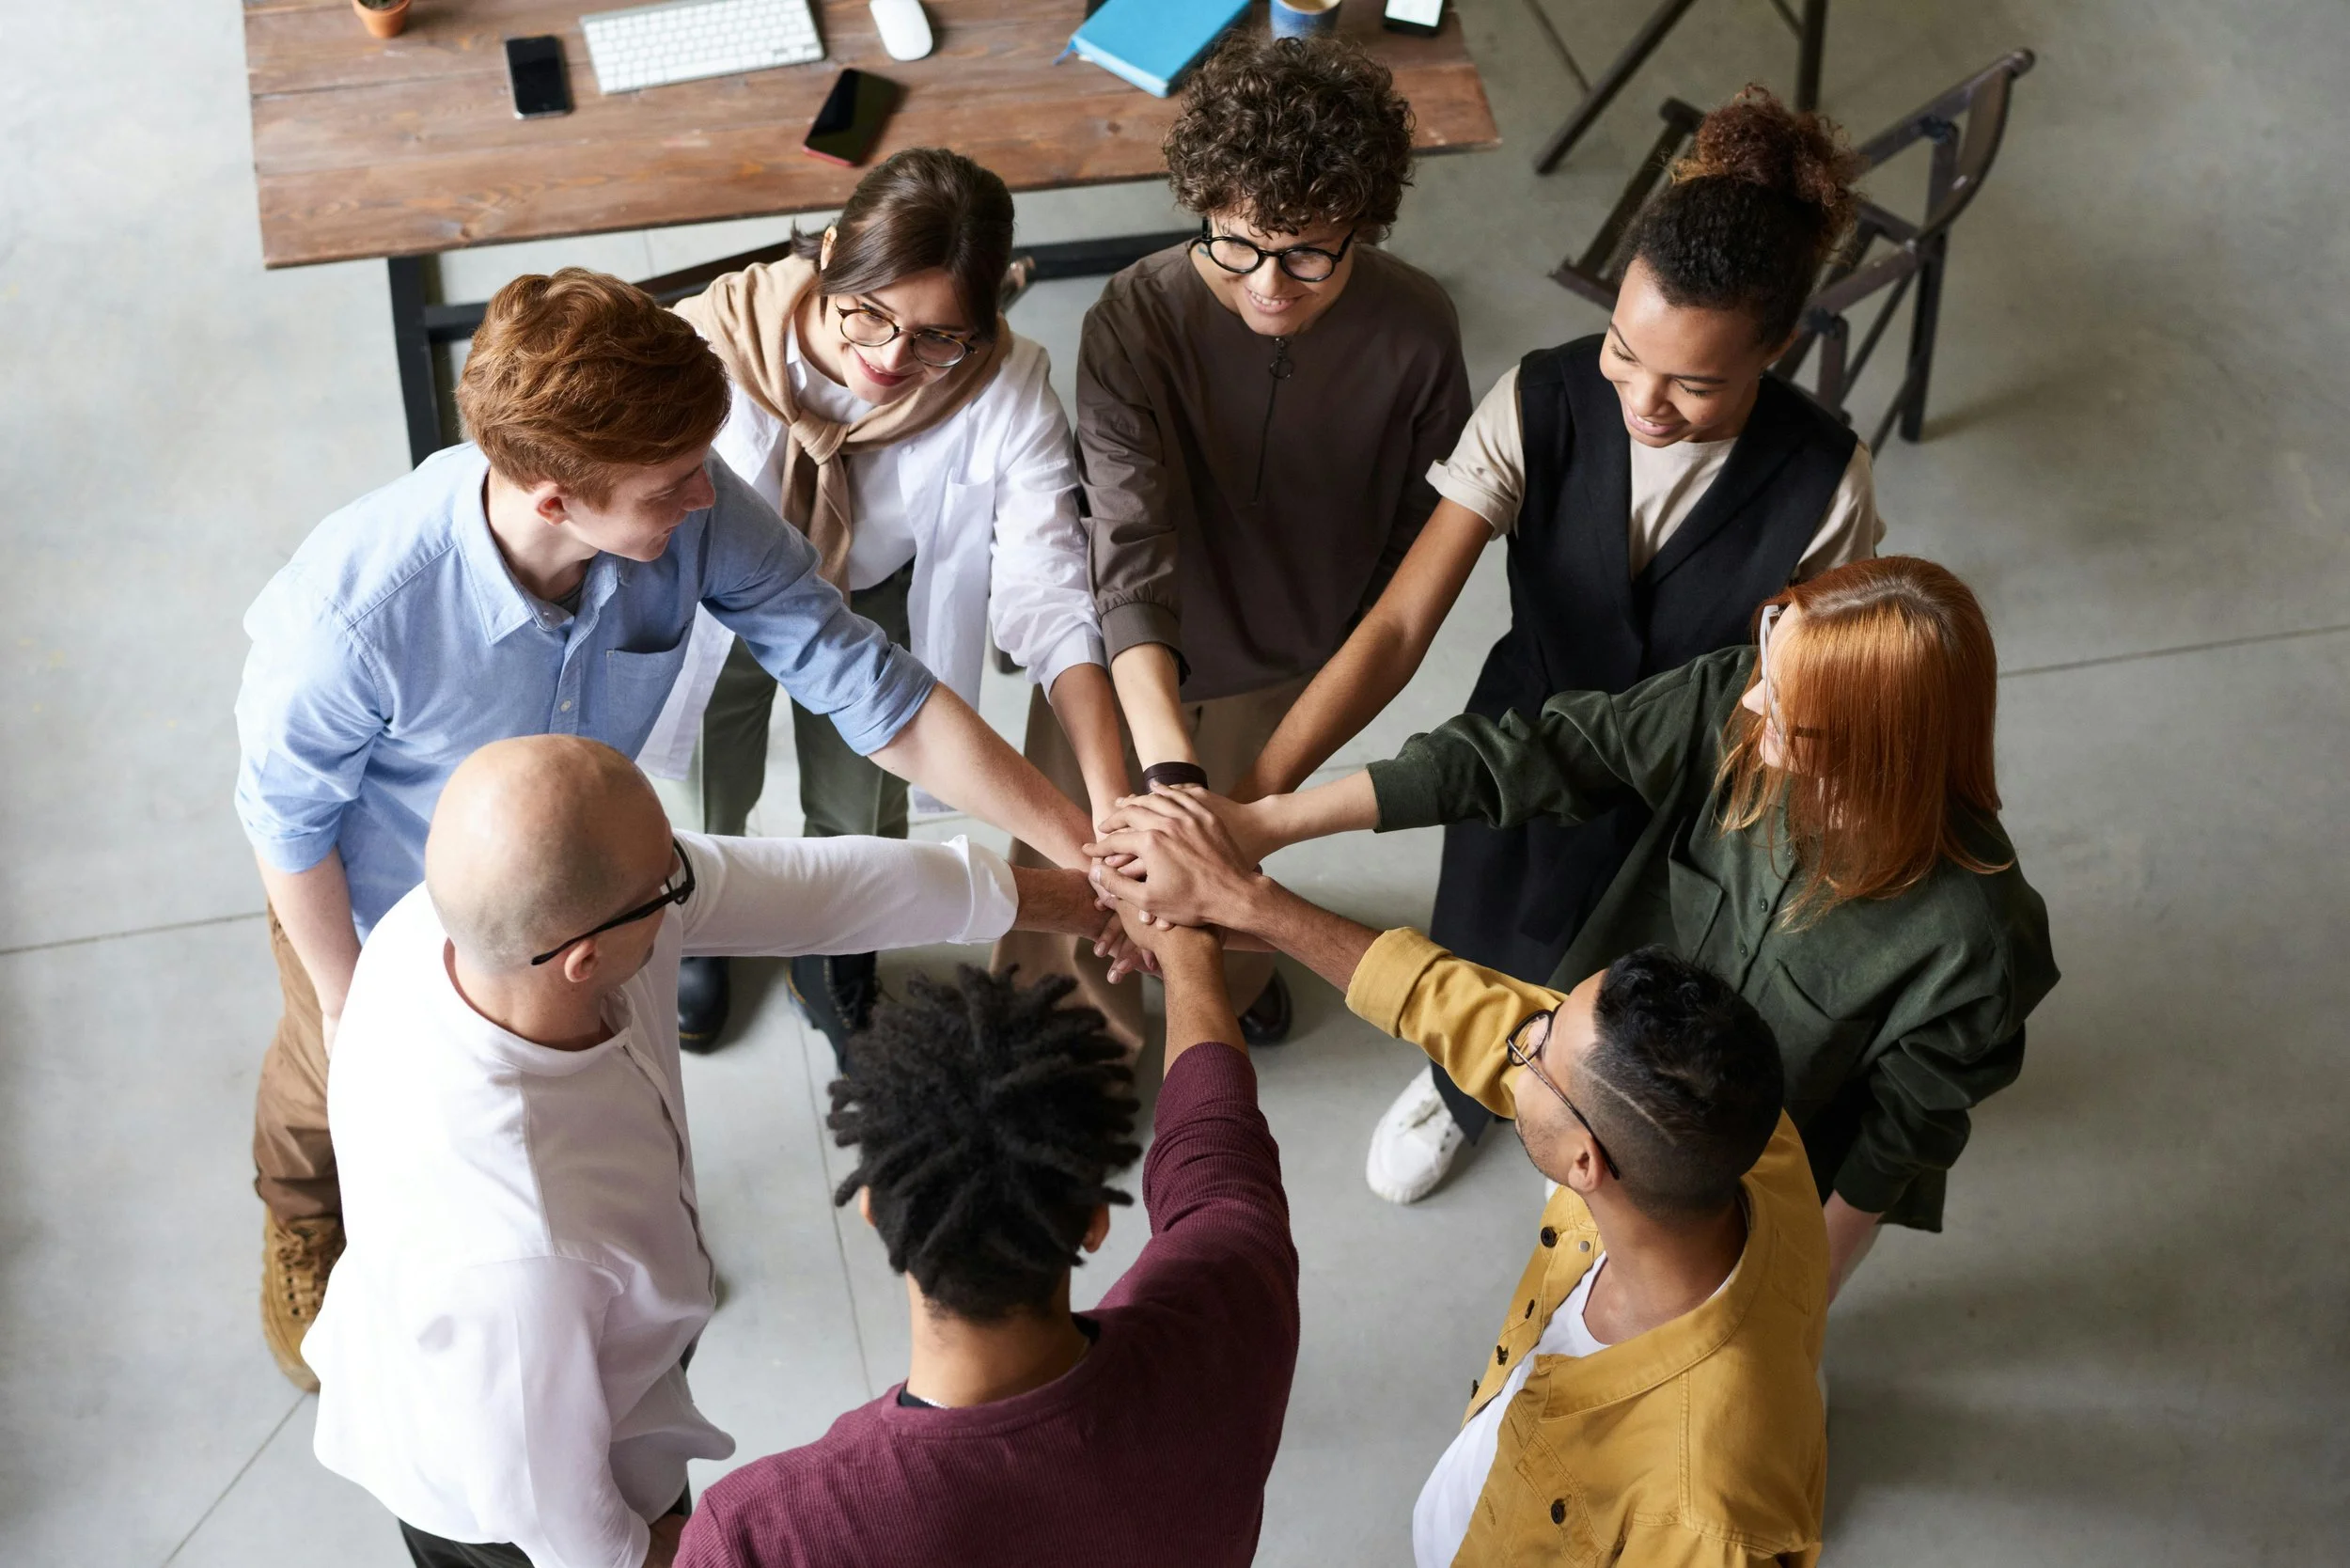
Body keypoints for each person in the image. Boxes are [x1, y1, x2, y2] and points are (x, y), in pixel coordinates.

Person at [233, 267, 1098, 1390]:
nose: (708, 497)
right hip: (378, 900)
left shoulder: (690, 505)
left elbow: (868, 686)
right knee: (322, 1092)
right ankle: (302, 1218)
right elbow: (283, 822)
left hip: (584, 885)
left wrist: (1085, 847)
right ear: (552, 496)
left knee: (573, 1101)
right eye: (672, 482)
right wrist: (355, 1011)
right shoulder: (351, 618)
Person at [1228, 86, 1886, 1202]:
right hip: (1520, 740)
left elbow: (1811, 688)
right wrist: (1255, 805)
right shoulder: (1540, 399)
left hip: (1691, 781)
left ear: (1776, 350)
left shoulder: (1826, 481)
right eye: (1627, 352)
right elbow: (1395, 627)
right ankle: (1461, 1086)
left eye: (1697, 381)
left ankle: (1587, 1110)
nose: (1644, 400)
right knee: (1486, 928)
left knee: (1638, 983)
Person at [1095, 557, 2059, 1292]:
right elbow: (1540, 754)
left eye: (1792, 717)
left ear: (1881, 751)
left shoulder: (1974, 942)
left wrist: (1789, 1302)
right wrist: (1264, 824)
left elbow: (1892, 1147)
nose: (1752, 700)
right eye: (1766, 666)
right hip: (1594, 1077)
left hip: (1741, 1184)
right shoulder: (1741, 698)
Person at [305, 734, 1113, 1568]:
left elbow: (817, 892)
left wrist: (1081, 901)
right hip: (503, 1500)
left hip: (575, 1350)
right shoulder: (525, 1251)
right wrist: (656, 1554)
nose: (687, 881)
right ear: (584, 959)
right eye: (668, 882)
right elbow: (545, 1506)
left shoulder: (479, 925)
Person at [1081, 790, 1828, 1565]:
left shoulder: (1706, 1512)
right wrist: (1247, 904)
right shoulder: (1737, 1131)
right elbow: (1468, 1009)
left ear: (1585, 1163)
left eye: (1537, 1048)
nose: (1517, 1037)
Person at [994, 31, 1474, 1054]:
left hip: (1286, 661)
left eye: (1307, 252)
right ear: (1201, 208)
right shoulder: (1138, 314)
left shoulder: (1419, 331)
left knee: (1237, 869)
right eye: (1235, 244)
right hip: (1128, 657)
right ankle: (1079, 1038)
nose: (1268, 284)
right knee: (1094, 855)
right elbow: (1126, 544)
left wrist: (1222, 811)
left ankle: (1234, 973)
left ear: (1362, 225)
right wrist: (1168, 783)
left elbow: (1410, 544)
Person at [650, 148, 1124, 1056]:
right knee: (712, 775)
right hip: (717, 597)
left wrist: (1105, 807)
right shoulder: (711, 337)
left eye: (938, 336)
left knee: (865, 803)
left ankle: (839, 941)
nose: (892, 358)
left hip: (876, 596)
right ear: (831, 253)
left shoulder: (1004, 383)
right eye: (867, 315)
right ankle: (705, 914)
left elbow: (1048, 587)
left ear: (982, 324)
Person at [675, 917, 1298, 1566]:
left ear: (873, 1210)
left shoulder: (760, 1537)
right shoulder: (1235, 1303)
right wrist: (1191, 954)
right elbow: (1218, 1156)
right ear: (1094, 1218)